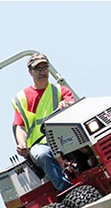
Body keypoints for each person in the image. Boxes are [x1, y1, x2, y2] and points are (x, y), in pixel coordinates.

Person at [12, 53, 74, 192]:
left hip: (64, 138)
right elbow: (20, 125)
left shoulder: (60, 90)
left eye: (45, 67)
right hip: (39, 143)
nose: (42, 72)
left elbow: (72, 104)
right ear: (30, 72)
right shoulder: (23, 98)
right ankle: (68, 191)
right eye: (38, 69)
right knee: (43, 155)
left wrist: (66, 105)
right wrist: (22, 144)